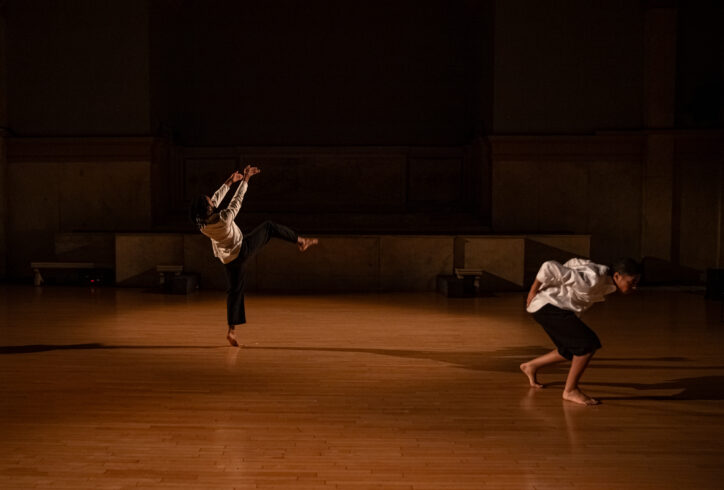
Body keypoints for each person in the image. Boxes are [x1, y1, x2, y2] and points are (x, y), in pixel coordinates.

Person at [189, 165, 318, 347]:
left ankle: (231, 331)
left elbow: (216, 198)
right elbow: (237, 201)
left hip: (228, 260)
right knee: (269, 227)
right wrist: (245, 180)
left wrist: (229, 181)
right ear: (210, 208)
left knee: (234, 291)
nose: (213, 200)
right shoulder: (224, 219)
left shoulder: (201, 225)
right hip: (243, 250)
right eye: (210, 202)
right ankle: (300, 240)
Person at [520, 257, 641, 406]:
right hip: (549, 307)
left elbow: (573, 262)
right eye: (632, 282)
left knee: (570, 350)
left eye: (636, 282)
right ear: (617, 276)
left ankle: (531, 366)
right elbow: (548, 266)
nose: (635, 287)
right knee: (587, 344)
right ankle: (570, 390)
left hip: (553, 308)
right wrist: (532, 292)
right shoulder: (593, 279)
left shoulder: (601, 276)